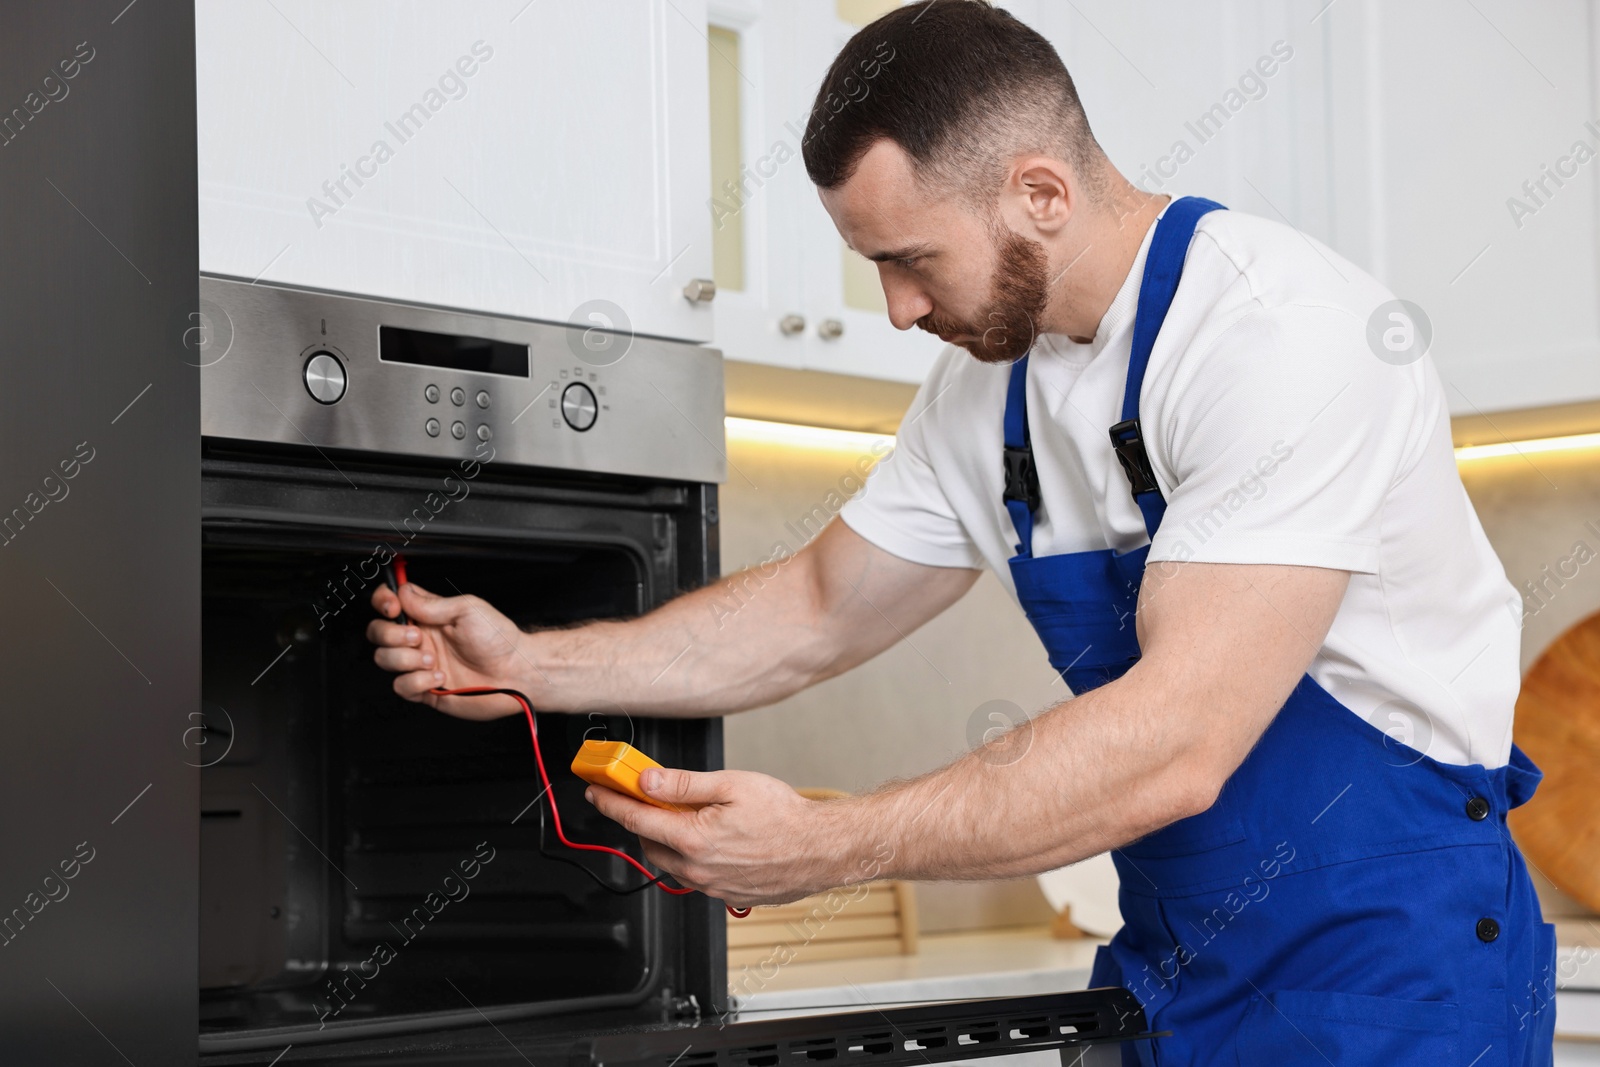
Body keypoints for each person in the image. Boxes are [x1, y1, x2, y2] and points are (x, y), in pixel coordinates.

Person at [369, 3, 1554, 1064]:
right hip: (1169, 973)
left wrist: (829, 843)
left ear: (1040, 192)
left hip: (1389, 980)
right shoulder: (989, 389)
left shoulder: (1280, 335)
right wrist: (533, 662)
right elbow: (819, 607)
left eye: (907, 258)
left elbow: (1178, 740)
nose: (895, 308)